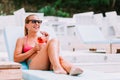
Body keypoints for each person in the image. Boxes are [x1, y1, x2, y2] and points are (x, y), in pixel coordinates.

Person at [14, 14, 83, 76]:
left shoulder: (42, 38)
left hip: (47, 63)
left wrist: (47, 41)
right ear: (26, 25)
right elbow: (16, 58)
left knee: (55, 42)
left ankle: (70, 69)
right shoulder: (22, 40)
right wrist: (33, 50)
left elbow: (50, 54)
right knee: (54, 42)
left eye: (39, 22)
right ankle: (60, 67)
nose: (37, 23)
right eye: (34, 21)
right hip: (33, 64)